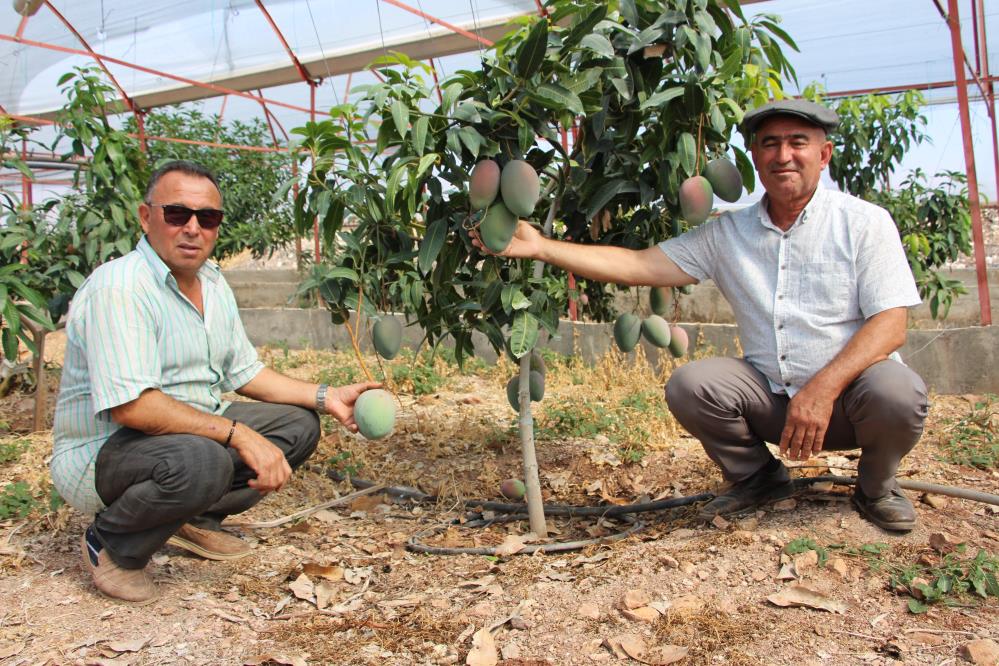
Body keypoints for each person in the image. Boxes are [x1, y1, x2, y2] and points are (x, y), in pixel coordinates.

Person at [473, 99, 928, 533]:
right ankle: (758, 479)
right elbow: (638, 267)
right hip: (773, 400)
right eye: (770, 144)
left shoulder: (865, 222)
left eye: (798, 142)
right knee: (691, 385)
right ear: (754, 155)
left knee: (898, 390)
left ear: (824, 154)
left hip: (850, 403)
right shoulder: (728, 233)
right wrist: (541, 247)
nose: (783, 155)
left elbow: (891, 324)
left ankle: (876, 488)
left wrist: (823, 390)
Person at [51, 160, 380, 604]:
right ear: (146, 217)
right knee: (206, 459)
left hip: (179, 440)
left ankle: (192, 520)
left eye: (207, 218)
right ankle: (111, 544)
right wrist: (237, 434)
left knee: (297, 426)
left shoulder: (211, 282)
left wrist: (326, 397)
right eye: (176, 214)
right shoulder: (122, 288)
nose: (192, 228)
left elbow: (245, 372)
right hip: (105, 450)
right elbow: (132, 408)